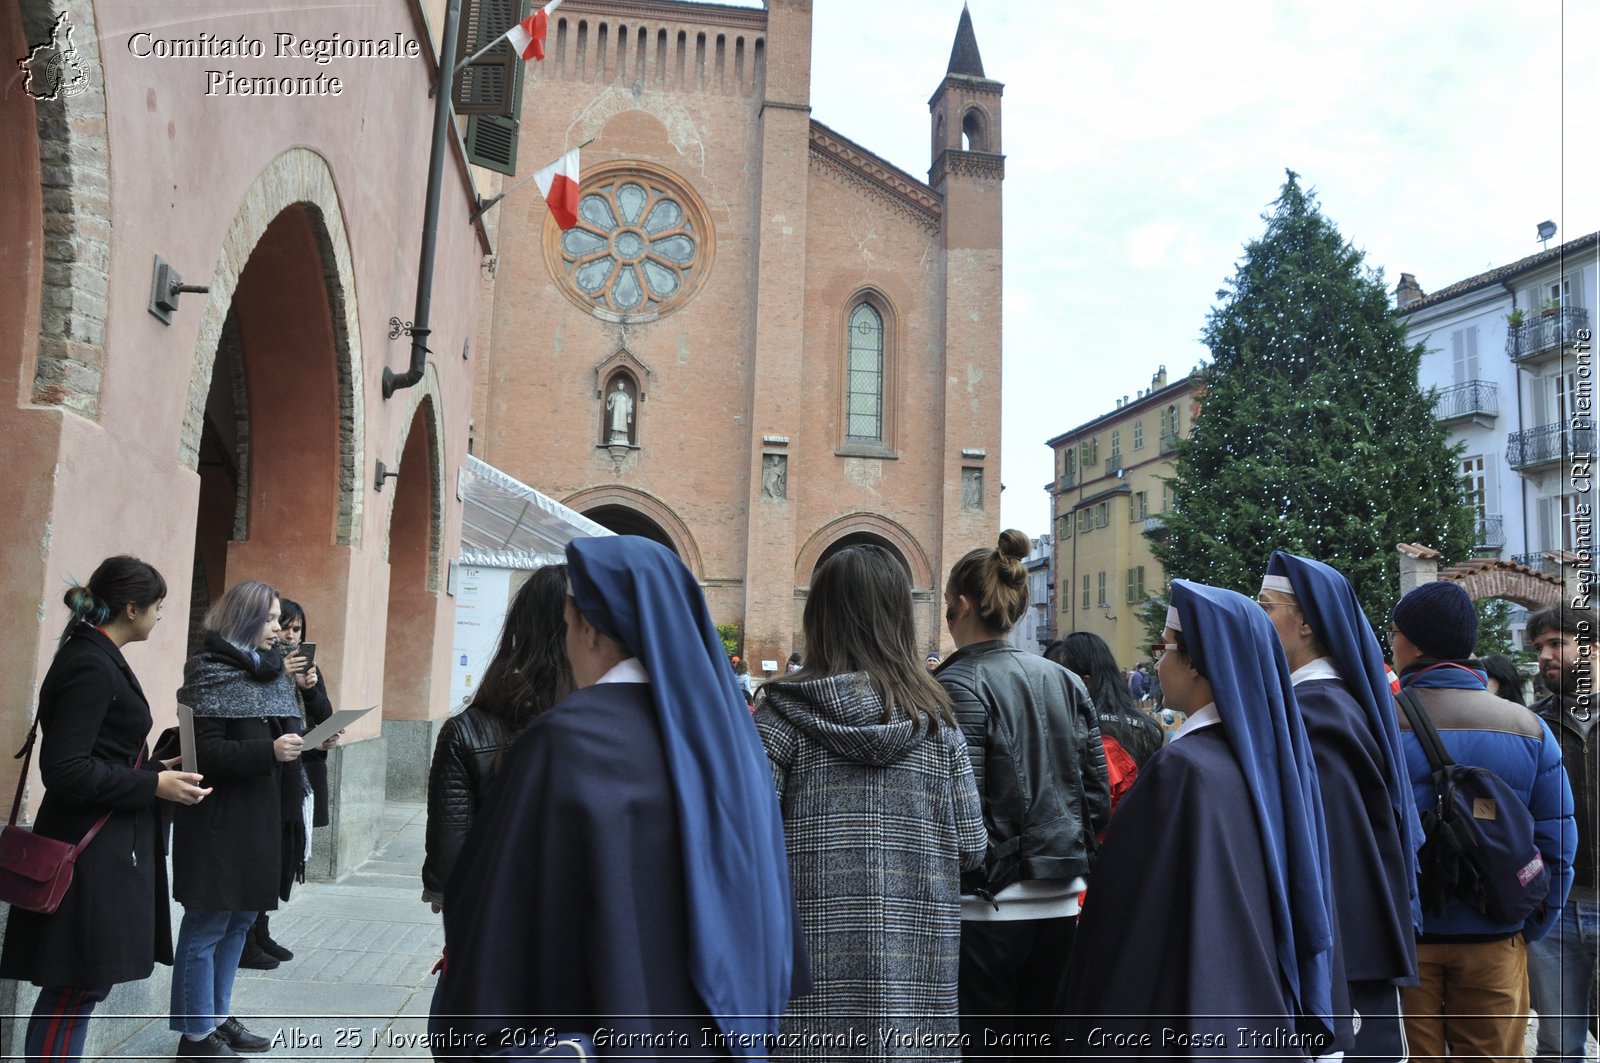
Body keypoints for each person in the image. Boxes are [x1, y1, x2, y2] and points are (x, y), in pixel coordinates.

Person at [431, 535, 807, 1057]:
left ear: (588, 629)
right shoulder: (730, 743)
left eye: (566, 627)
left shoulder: (563, 741)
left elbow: (494, 905)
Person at [1060, 580, 1341, 1059]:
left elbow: (1125, 900)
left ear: (1195, 662)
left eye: (1164, 648)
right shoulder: (1270, 763)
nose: (1156, 662)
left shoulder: (1183, 768)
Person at [755, 545, 985, 1056]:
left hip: (808, 978)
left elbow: (749, 848)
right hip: (915, 980)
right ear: (900, 620)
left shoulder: (779, 719)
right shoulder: (937, 726)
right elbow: (972, 846)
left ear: (818, 617)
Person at [0, 557, 209, 1063]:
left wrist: (154, 765)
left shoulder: (96, 654)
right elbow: (67, 770)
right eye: (157, 606)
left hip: (104, 846)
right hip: (85, 854)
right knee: (75, 987)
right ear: (132, 607)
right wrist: (151, 783)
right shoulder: (90, 662)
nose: (160, 616)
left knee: (82, 987)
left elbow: (100, 751)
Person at [935, 530, 1109, 1056]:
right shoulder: (1066, 680)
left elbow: (958, 809)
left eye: (947, 605)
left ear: (961, 605)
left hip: (986, 907)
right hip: (1061, 898)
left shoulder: (956, 684)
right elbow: (1096, 796)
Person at [1389, 581, 1575, 1061]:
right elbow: (1558, 843)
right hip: (1495, 936)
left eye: (1394, 633)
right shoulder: (1528, 727)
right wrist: (1526, 924)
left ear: (1413, 643)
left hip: (1404, 944)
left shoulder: (1376, 725)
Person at [1258, 551, 1422, 1061]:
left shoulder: (1318, 710)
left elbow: (1333, 855)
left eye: (1265, 605)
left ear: (1305, 621)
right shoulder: (1324, 702)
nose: (1253, 616)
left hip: (1343, 952)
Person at [170, 579, 330, 1058]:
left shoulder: (272, 674)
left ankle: (218, 1018)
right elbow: (206, 754)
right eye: (271, 618)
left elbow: (294, 732)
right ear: (244, 619)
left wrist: (304, 708)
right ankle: (195, 1035)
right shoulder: (209, 672)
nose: (280, 629)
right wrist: (271, 749)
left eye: (281, 618)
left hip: (261, 815)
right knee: (206, 926)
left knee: (240, 921)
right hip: (217, 818)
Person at [422, 564, 573, 912]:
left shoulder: (468, 728)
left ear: (519, 628)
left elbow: (450, 844)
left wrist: (441, 889)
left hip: (496, 912)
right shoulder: (608, 722)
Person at [236, 595, 333, 971]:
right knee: (268, 851)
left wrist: (309, 687)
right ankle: (250, 933)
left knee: (284, 852)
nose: (289, 635)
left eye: (296, 629)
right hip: (271, 771)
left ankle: (260, 929)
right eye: (284, 626)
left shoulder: (305, 666)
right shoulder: (262, 667)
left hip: (300, 768)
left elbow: (323, 712)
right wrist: (282, 675)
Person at [1525, 604, 1598, 1063]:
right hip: (1556, 906)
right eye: (1539, 648)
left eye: (1558, 643)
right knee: (1557, 1047)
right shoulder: (1530, 725)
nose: (1545, 656)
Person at [1044, 632, 1163, 819]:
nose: (1046, 691)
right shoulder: (1144, 727)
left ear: (1083, 683)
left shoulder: (1093, 739)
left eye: (1054, 682)